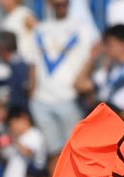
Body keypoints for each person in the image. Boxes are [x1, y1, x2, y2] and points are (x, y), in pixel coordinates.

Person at [29, 0, 98, 153]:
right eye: (57, 4)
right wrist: (32, 96)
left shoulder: (82, 28)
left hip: (69, 99)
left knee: (75, 151)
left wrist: (81, 85)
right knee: (52, 153)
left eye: (64, 3)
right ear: (49, 4)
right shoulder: (40, 29)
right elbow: (34, 64)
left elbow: (91, 58)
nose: (61, 6)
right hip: (42, 100)